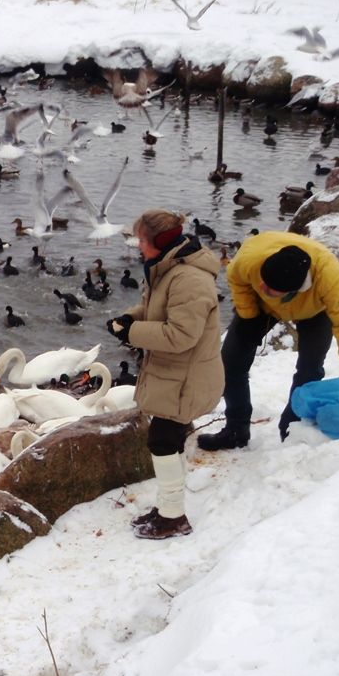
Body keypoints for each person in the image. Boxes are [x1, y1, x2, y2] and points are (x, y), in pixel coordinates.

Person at [106, 210, 223, 539]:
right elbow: (152, 306)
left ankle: (174, 517)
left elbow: (181, 335)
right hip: (177, 373)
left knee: (161, 440)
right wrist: (129, 319)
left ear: (162, 241)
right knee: (168, 439)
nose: (137, 246)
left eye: (142, 240)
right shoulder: (166, 268)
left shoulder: (189, 279)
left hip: (188, 377)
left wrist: (133, 334)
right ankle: (168, 508)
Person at [198, 231, 339, 450]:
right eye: (263, 282)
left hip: (315, 311)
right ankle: (236, 430)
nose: (262, 287)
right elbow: (237, 280)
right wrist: (249, 316)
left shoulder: (329, 276)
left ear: (293, 290)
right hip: (263, 307)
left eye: (270, 288)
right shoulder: (249, 258)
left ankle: (293, 427)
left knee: (310, 368)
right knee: (230, 362)